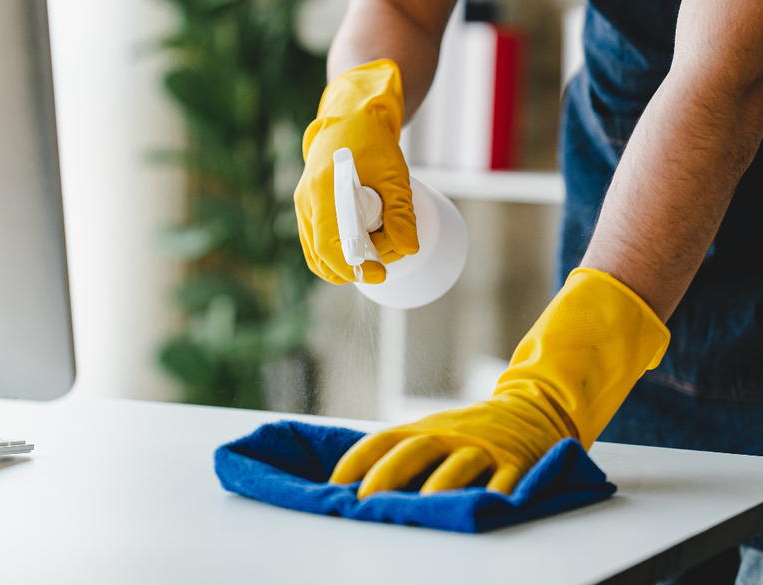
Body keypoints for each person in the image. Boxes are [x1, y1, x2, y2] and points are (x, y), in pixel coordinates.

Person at [293, 0, 763, 581]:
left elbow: (730, 79)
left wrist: (554, 390)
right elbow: (403, 10)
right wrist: (353, 104)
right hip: (624, 278)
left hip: (659, 270)